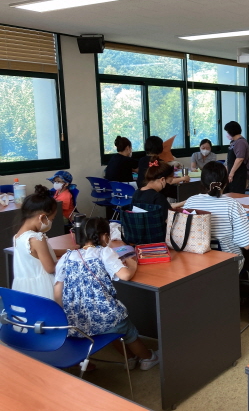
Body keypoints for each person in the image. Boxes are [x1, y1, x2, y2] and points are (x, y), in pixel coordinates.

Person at [53, 217, 159, 371]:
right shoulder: (104, 252)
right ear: (104, 236)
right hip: (105, 317)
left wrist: (63, 314)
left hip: (77, 320)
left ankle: (129, 358)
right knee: (125, 331)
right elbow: (125, 275)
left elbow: (58, 288)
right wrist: (132, 265)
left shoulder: (66, 257)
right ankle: (148, 358)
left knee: (108, 332)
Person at [184, 161, 249, 272]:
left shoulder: (190, 202)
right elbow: (246, 245)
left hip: (195, 265)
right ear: (226, 182)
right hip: (227, 266)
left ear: (202, 182)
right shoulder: (232, 204)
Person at [12, 185, 58, 300]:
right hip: (42, 290)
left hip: (24, 290)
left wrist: (68, 251)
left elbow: (42, 253)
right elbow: (50, 268)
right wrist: (67, 261)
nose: (51, 222)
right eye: (51, 219)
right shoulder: (37, 238)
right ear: (42, 218)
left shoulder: (18, 236)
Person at [133, 158, 186, 238]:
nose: (168, 185)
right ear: (162, 180)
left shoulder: (137, 193)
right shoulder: (158, 197)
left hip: (139, 236)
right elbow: (170, 222)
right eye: (169, 182)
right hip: (157, 238)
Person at [224, 121, 249, 194]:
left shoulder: (241, 142)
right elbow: (229, 160)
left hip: (239, 174)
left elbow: (240, 159)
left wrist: (231, 173)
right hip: (232, 174)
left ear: (231, 131)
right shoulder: (233, 142)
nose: (227, 134)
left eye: (227, 132)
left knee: (236, 195)